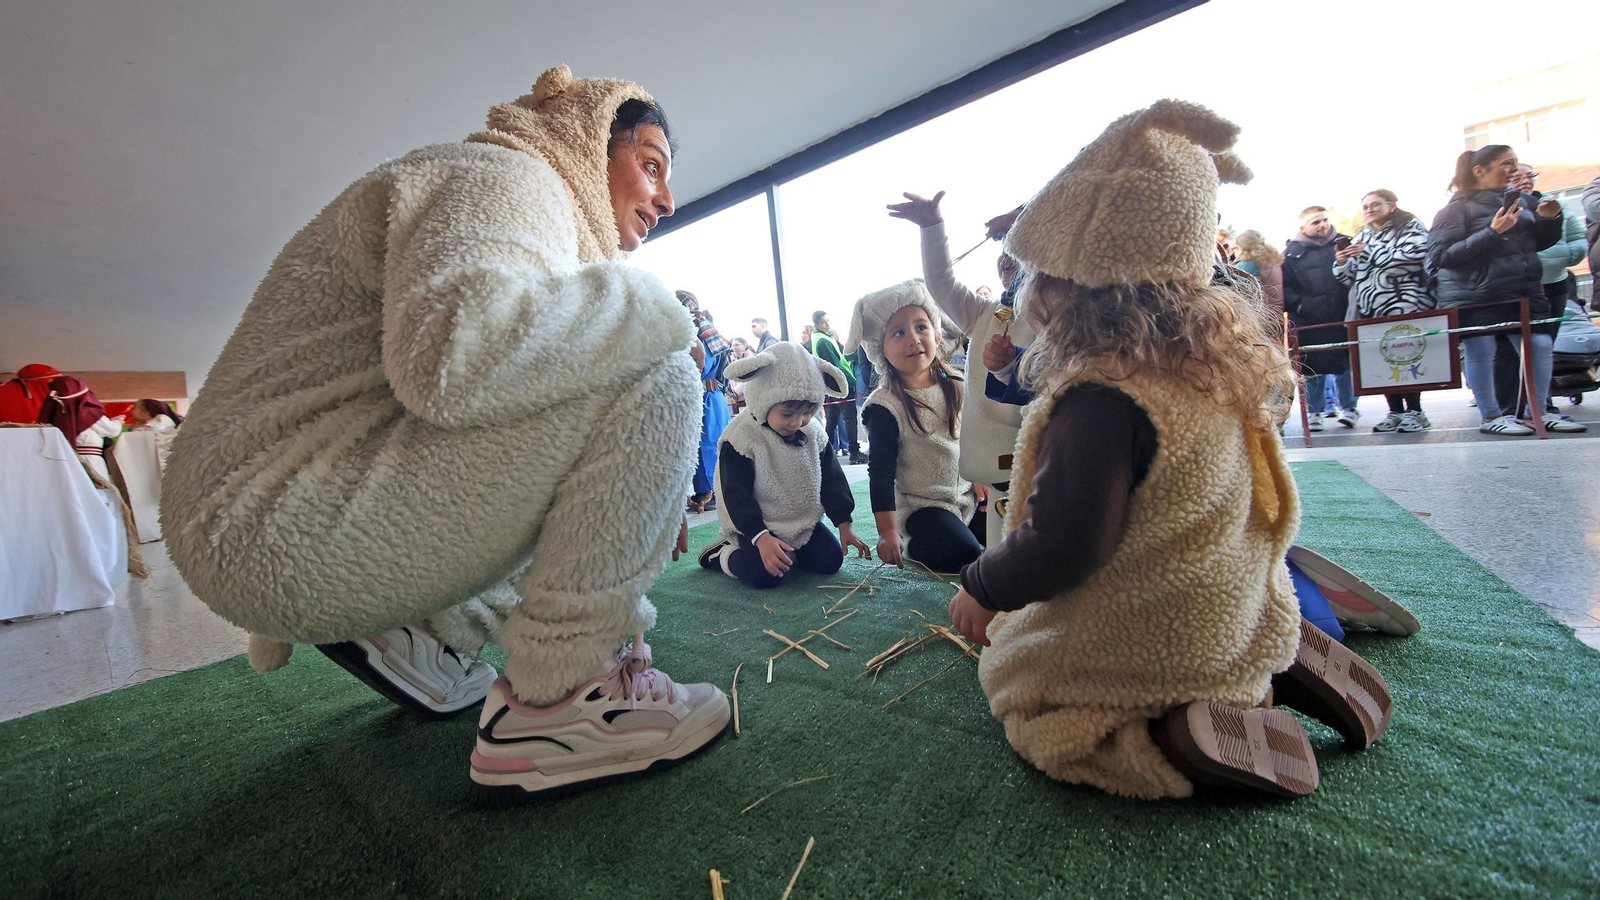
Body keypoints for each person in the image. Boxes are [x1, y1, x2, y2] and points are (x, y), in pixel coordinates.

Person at [160, 66, 730, 803]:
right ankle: (562, 703)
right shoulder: (512, 179)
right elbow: (458, 358)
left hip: (263, 516)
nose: (666, 198)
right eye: (650, 165)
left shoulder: (500, 195)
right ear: (589, 142)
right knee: (653, 369)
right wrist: (656, 312)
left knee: (576, 360)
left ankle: (424, 631)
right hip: (277, 524)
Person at [946, 99, 1392, 800]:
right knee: (1218, 622)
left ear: (1068, 283)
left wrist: (983, 585)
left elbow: (1063, 546)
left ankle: (1166, 731)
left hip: (1163, 633)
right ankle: (1265, 659)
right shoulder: (1205, 365)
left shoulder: (1099, 400)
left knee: (1020, 685)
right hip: (1238, 600)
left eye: (1034, 273)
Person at [886, 192, 1035, 549]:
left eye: (1019, 250)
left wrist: (1020, 219)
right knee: (999, 564)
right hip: (993, 484)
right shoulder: (987, 314)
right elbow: (941, 284)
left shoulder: (1053, 320)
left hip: (1036, 480)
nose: (1006, 260)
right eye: (1004, 251)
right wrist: (932, 228)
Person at [697, 343, 871, 587]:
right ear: (763, 398)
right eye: (787, 413)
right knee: (763, 577)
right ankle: (725, 553)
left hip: (799, 521)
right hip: (758, 525)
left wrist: (845, 523)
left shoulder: (814, 433)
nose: (798, 422)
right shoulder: (741, 437)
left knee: (830, 562)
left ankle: (788, 550)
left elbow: (832, 479)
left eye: (808, 411)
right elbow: (735, 494)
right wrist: (760, 536)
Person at [1427, 144, 1569, 435]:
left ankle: (1538, 412)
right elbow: (1441, 256)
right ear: (1480, 171)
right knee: (1481, 351)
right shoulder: (1455, 209)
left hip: (1524, 289)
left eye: (1515, 162)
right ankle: (1491, 417)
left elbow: (1536, 243)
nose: (1514, 170)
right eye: (1506, 163)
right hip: (1475, 294)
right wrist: (1493, 232)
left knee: (1539, 346)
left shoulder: (1522, 201)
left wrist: (1549, 219)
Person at [845, 280, 985, 573]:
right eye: (898, 332)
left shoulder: (957, 384)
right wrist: (887, 532)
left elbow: (975, 436)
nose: (913, 338)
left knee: (1011, 531)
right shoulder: (885, 405)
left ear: (936, 333)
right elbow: (881, 473)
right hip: (923, 508)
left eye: (921, 327)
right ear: (879, 349)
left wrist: (981, 478)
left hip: (967, 497)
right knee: (966, 553)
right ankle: (913, 544)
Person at [1490, 165, 1589, 427]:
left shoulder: (1551, 203)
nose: (1525, 181)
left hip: (1555, 283)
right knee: (1510, 350)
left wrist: (1571, 254)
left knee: (1545, 345)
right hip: (1519, 286)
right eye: (1517, 177)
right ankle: (1511, 408)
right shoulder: (1502, 206)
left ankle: (1543, 405)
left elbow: (1577, 236)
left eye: (1529, 176)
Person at [1333, 189, 1435, 432]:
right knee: (1382, 362)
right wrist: (1342, 261)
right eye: (1365, 206)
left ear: (1392, 205)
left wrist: (1368, 251)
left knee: (1406, 359)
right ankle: (1395, 411)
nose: (1369, 210)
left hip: (1403, 304)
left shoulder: (1410, 226)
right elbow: (1349, 276)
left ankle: (1416, 411)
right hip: (1370, 309)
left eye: (1375, 204)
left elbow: (1411, 258)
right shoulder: (1363, 233)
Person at [1284, 206, 1358, 431]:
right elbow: (1283, 287)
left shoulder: (1347, 244)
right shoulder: (1290, 253)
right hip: (1307, 318)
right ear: (1303, 227)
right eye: (1316, 222)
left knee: (1345, 366)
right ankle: (1313, 412)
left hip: (1342, 315)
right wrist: (1300, 304)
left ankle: (1350, 408)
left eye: (1324, 220)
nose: (1322, 225)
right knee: (1312, 369)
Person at [679, 290, 732, 511]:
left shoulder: (692, 335)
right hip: (717, 399)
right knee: (718, 443)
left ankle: (707, 492)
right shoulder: (711, 332)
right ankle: (722, 489)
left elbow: (695, 367)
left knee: (705, 445)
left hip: (702, 399)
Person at [36, 374, 123, 481]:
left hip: (64, 461)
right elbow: (112, 431)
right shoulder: (88, 412)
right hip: (90, 461)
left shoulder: (53, 412)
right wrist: (117, 422)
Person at [809, 310, 866, 463]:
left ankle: (826, 452)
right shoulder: (823, 340)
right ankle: (854, 453)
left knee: (832, 420)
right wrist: (847, 381)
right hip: (840, 385)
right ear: (816, 324)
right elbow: (835, 365)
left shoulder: (821, 337)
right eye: (823, 322)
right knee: (849, 418)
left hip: (830, 386)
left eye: (828, 320)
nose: (827, 324)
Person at [1230, 230, 1284, 318]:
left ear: (1244, 248)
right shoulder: (1273, 260)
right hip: (1276, 313)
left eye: (1236, 248)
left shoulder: (1246, 265)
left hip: (1258, 316)